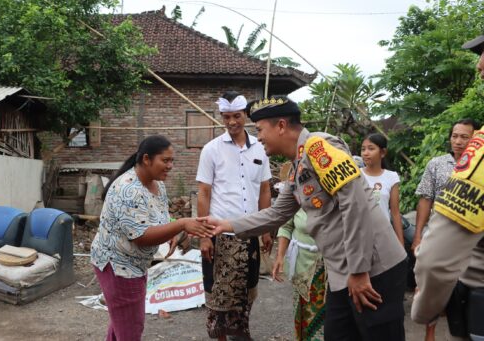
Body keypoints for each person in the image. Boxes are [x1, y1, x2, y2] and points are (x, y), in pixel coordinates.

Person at [200, 95, 407, 341]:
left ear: (281, 126)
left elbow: (355, 204)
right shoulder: (298, 164)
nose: (260, 137)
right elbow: (278, 213)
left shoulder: (319, 147)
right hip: (344, 272)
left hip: (373, 268)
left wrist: (360, 271)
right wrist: (228, 225)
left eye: (261, 130)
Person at [90, 135, 214, 341]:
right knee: (130, 329)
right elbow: (140, 236)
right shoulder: (128, 189)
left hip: (134, 265)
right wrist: (181, 224)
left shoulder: (157, 184)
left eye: (172, 160)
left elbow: (158, 218)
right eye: (165, 160)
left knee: (121, 322)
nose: (170, 166)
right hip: (119, 267)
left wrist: (172, 231)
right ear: (146, 159)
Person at [411, 34, 484, 341]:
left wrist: (422, 309)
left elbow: (435, 262)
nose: (479, 66)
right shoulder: (437, 163)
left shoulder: (480, 152)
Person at [196, 91, 272, 341]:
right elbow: (204, 193)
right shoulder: (211, 150)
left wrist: (266, 230)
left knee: (246, 291)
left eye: (236, 116)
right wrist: (204, 236)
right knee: (218, 293)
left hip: (248, 233)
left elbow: (264, 191)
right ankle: (220, 337)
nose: (231, 122)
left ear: (245, 116)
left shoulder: (261, 149)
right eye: (226, 117)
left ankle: (241, 334)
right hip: (219, 235)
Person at [410, 118, 477, 341]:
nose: (458, 141)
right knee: (430, 286)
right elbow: (425, 200)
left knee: (461, 293)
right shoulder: (437, 164)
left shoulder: (478, 167)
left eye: (464, 137)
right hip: (437, 235)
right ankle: (430, 333)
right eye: (455, 136)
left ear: (475, 139)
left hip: (470, 241)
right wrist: (419, 235)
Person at [273, 209, 325, 340]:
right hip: (302, 265)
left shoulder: (339, 191)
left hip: (332, 265)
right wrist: (280, 256)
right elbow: (286, 226)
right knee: (303, 314)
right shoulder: (296, 191)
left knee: (330, 317)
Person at [360, 133, 404, 245]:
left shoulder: (391, 177)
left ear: (383, 152)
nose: (365, 153)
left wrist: (400, 243)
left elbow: (395, 212)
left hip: (384, 236)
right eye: (363, 149)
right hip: (360, 236)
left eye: (371, 149)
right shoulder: (356, 175)